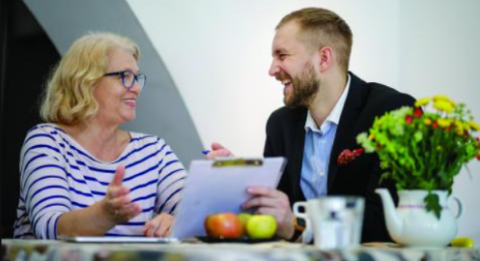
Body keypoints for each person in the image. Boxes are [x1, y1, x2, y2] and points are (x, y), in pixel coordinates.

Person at [208, 7, 415, 242]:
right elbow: (276, 217)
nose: (272, 69)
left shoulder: (395, 112)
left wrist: (300, 228)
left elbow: (388, 219)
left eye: (282, 55)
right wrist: (239, 182)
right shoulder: (280, 124)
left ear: (324, 59)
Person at [13, 32, 186, 239]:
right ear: (86, 81)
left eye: (136, 78)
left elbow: (195, 208)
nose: (137, 88)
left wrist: (177, 220)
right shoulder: (47, 141)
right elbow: (50, 228)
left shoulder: (153, 150)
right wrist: (104, 214)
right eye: (125, 76)